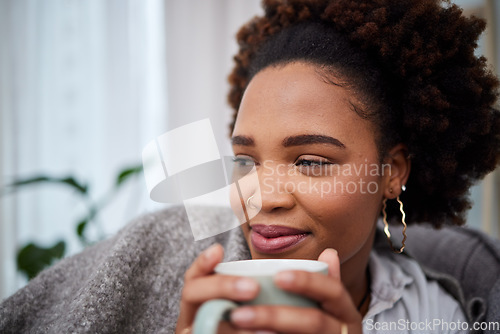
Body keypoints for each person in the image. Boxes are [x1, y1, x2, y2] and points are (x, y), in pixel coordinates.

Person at [1, 0, 499, 333]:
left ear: (392, 172)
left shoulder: (437, 310)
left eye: (309, 161)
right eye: (245, 159)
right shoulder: (174, 263)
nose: (261, 194)